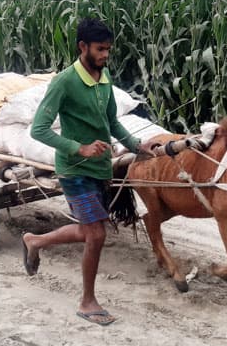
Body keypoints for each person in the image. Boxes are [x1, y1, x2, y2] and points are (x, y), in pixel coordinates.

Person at [23, 18, 159, 325]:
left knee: (89, 231)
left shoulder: (104, 77)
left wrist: (137, 145)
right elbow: (38, 130)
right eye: (100, 49)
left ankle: (35, 241)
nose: (105, 56)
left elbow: (112, 122)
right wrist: (78, 148)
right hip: (74, 170)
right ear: (82, 46)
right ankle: (87, 301)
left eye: (108, 50)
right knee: (96, 234)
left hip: (100, 169)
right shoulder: (65, 82)